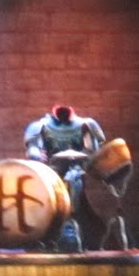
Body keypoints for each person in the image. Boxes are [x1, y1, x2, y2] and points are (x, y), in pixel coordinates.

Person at [23, 104, 107, 252]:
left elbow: (93, 151)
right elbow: (33, 149)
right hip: (50, 174)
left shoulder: (85, 125)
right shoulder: (41, 126)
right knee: (49, 209)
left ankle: (77, 234)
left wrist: (84, 158)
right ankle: (49, 238)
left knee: (77, 201)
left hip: (76, 171)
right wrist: (36, 155)